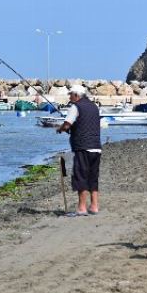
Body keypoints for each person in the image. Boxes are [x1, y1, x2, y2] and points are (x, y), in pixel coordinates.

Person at [56, 84, 101, 215]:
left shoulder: (75, 107)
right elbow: (84, 123)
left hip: (83, 147)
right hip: (96, 147)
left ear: (77, 95)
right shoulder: (94, 106)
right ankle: (94, 206)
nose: (69, 97)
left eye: (70, 94)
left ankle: (82, 208)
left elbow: (67, 124)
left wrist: (60, 129)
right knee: (93, 177)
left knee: (81, 176)